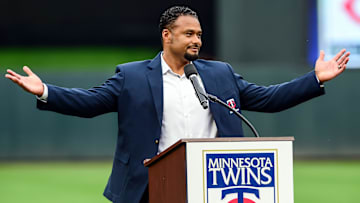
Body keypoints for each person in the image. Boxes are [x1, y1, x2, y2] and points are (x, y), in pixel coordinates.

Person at [4, 6, 350, 203]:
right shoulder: (133, 76)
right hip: (149, 188)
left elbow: (269, 99)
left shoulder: (220, 75)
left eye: (199, 34)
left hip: (212, 186)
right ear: (167, 36)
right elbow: (91, 102)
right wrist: (44, 90)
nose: (197, 40)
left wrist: (315, 78)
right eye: (189, 34)